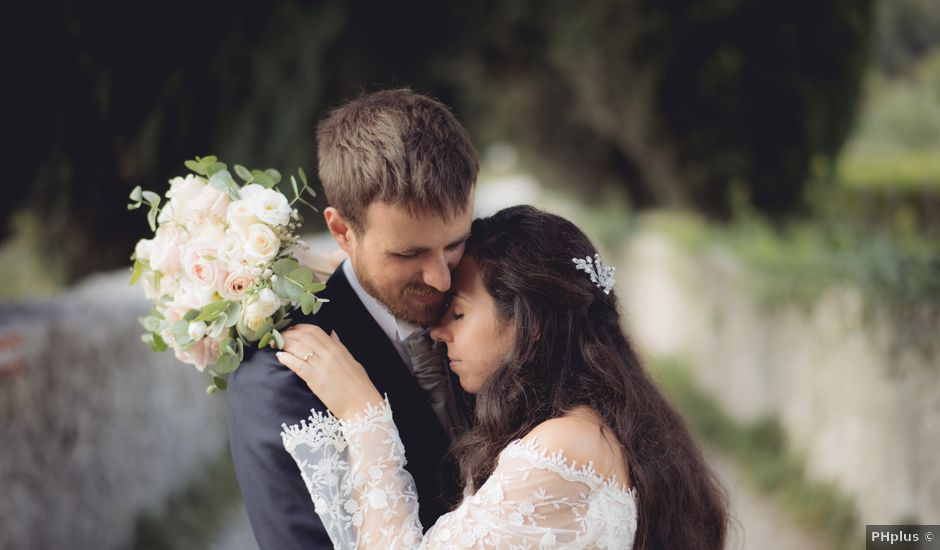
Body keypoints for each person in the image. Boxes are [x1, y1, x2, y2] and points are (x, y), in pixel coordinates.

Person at [278, 205, 730, 549]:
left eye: (457, 312)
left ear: (528, 326)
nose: (438, 332)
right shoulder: (601, 424)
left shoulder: (559, 450)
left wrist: (366, 415)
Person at [225, 89, 479, 550]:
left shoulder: (498, 307)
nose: (442, 279)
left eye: (454, 244)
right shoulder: (279, 379)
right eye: (409, 253)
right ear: (342, 230)